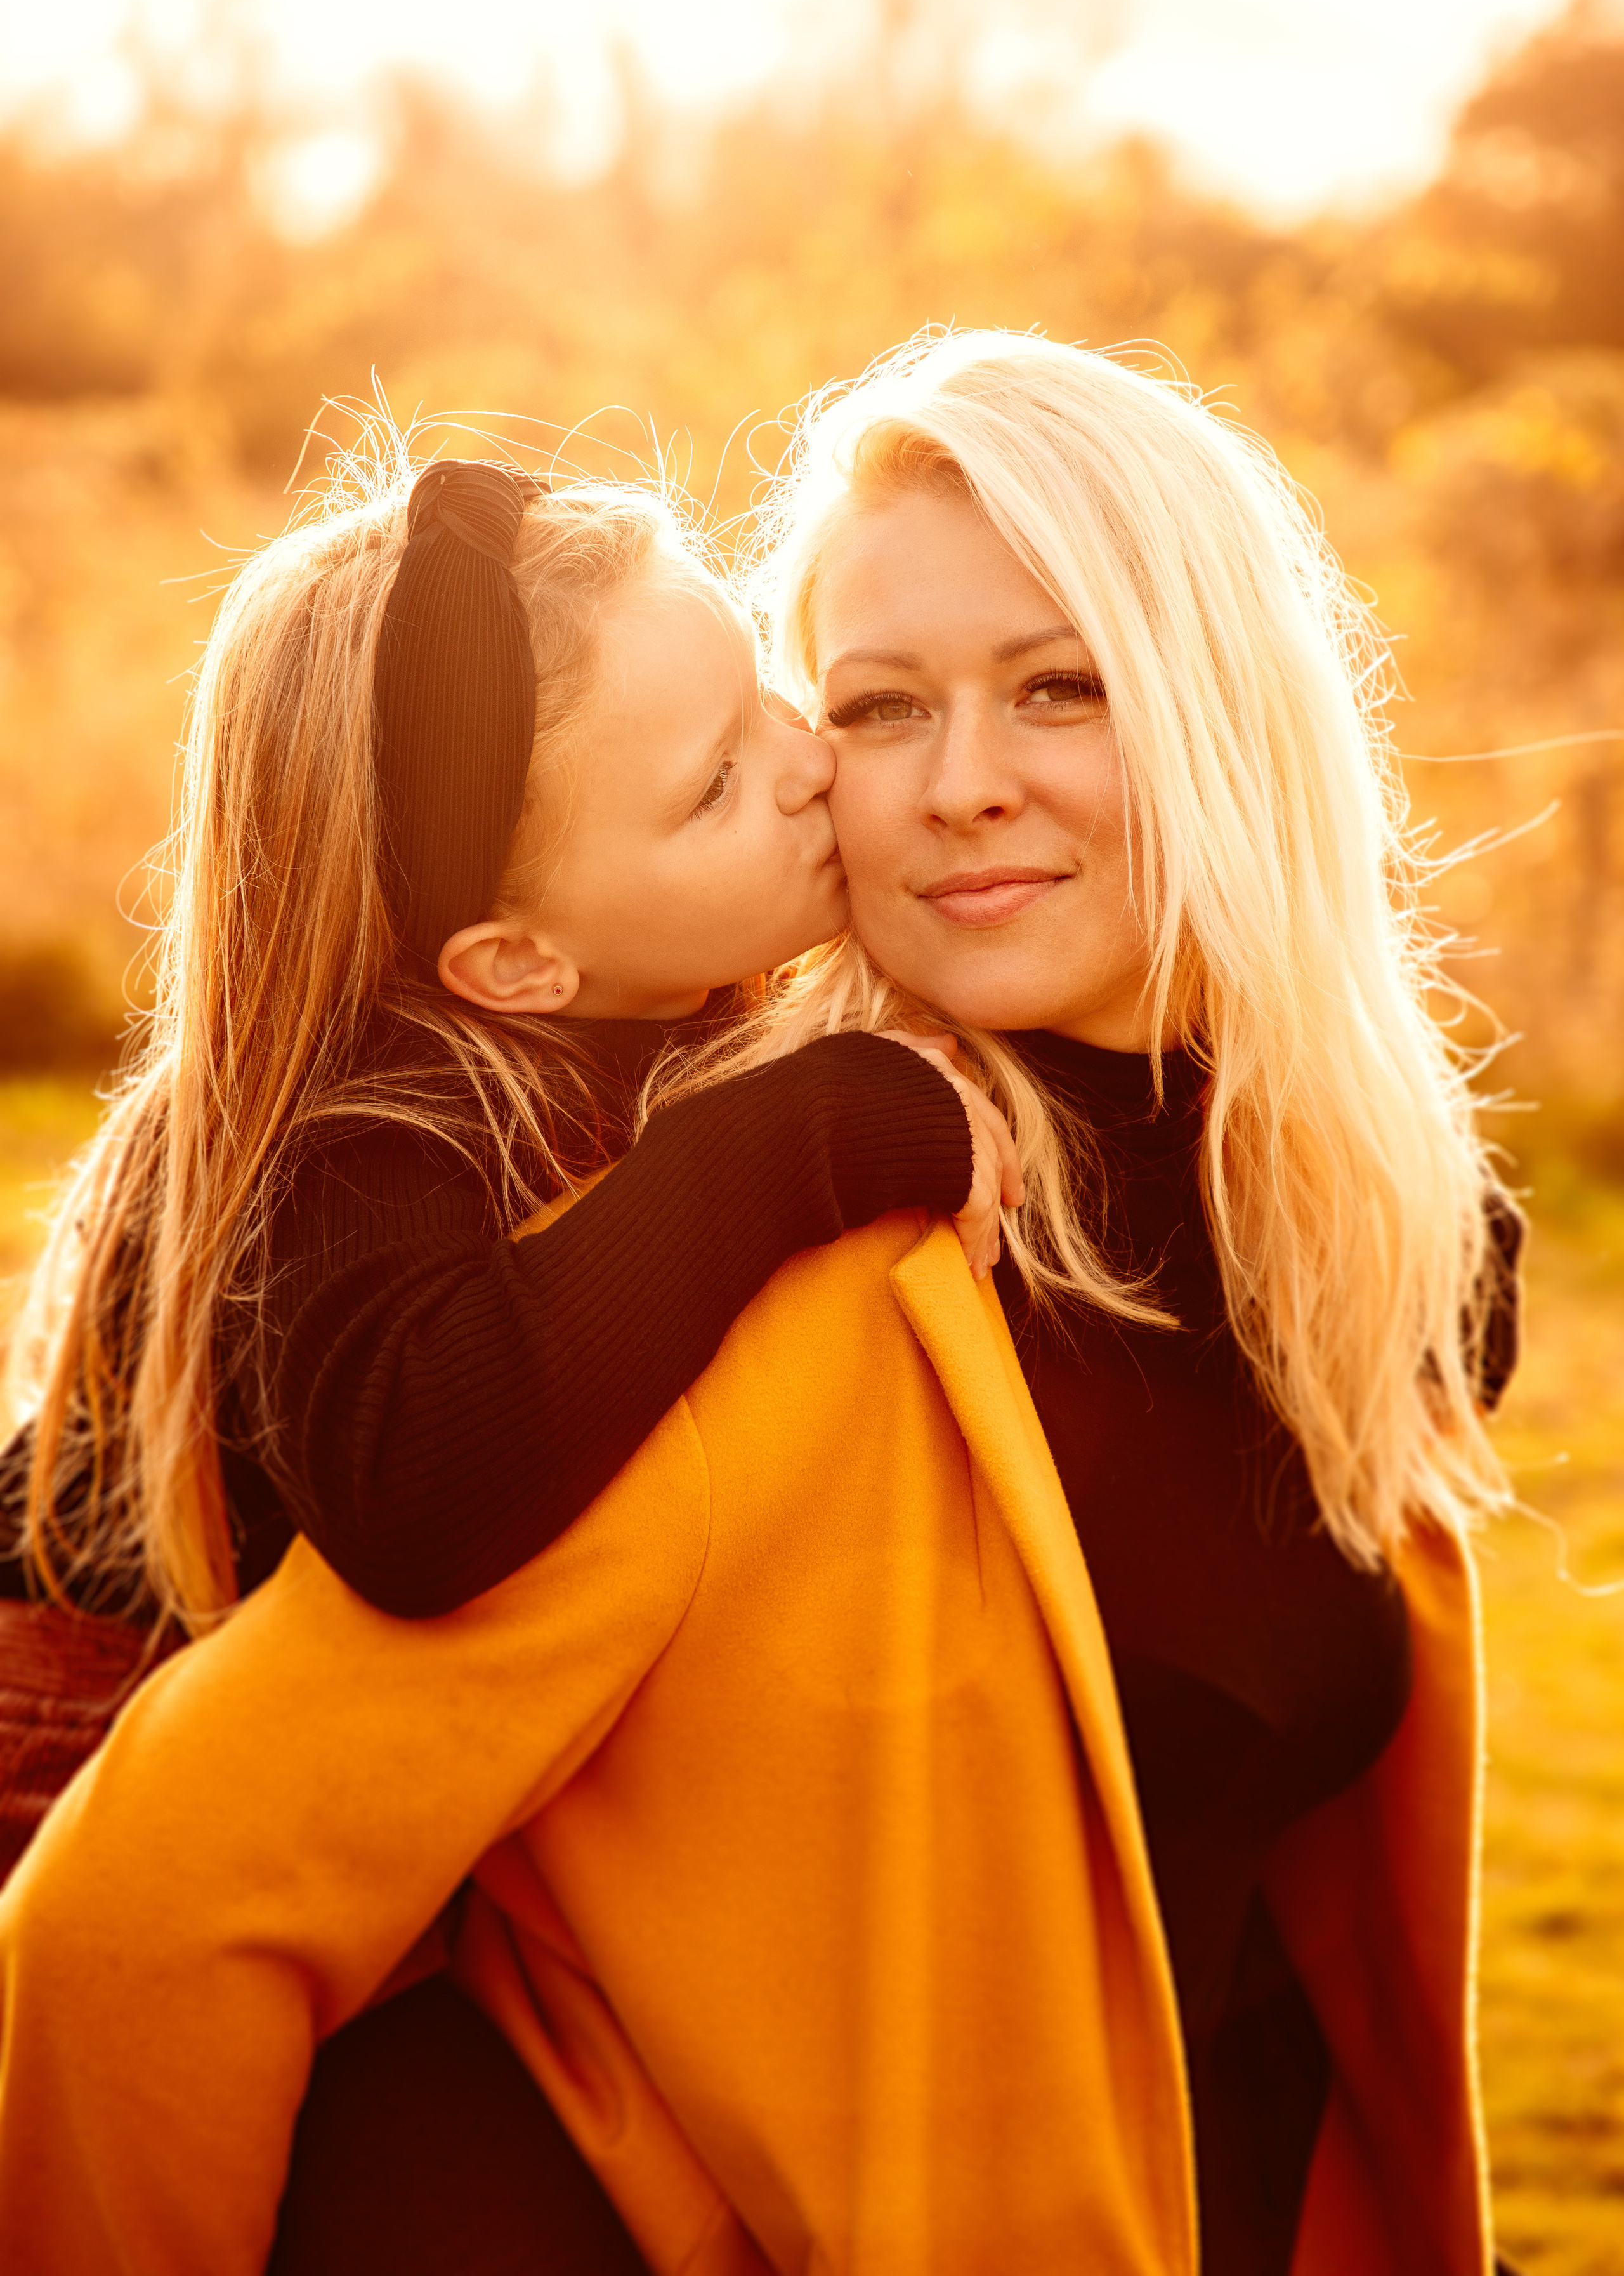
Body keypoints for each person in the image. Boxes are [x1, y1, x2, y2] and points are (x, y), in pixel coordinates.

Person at [0, 338, 1521, 2276]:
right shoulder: (748, 1276)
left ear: (1233, 698)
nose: (961, 787)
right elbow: (138, 1930)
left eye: (1058, 684)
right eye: (881, 705)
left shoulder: (1353, 1236)